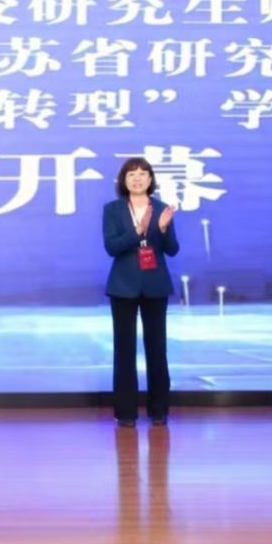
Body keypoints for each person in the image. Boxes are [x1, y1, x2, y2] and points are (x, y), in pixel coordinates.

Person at [102, 156, 179, 427]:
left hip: (155, 285)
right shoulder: (112, 209)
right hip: (123, 287)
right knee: (124, 351)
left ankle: (159, 410)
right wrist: (137, 231)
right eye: (131, 174)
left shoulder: (161, 209)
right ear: (123, 180)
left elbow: (172, 249)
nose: (137, 178)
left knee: (157, 348)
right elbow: (112, 247)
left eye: (142, 174)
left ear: (150, 179)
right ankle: (125, 412)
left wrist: (163, 229)